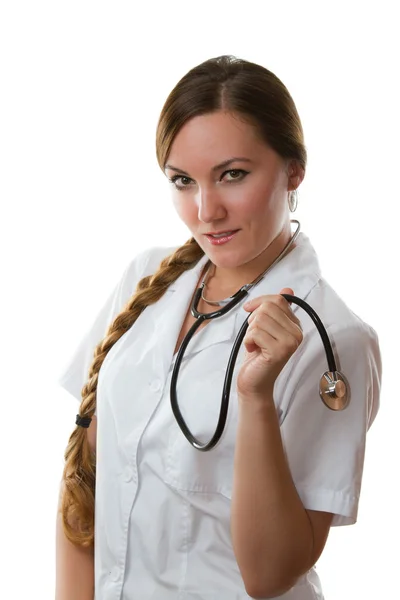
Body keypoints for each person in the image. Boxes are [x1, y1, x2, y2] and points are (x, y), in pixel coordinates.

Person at [55, 55, 382, 600]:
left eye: (233, 175)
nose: (206, 210)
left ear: (294, 170)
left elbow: (271, 576)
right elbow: (83, 479)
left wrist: (255, 398)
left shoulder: (334, 340)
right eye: (183, 181)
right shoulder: (145, 279)